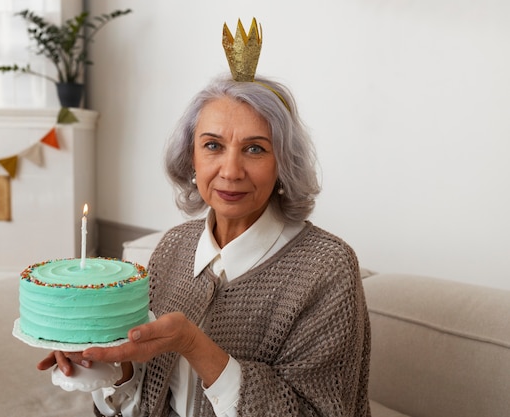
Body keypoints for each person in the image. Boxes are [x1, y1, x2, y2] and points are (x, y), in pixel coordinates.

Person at [37, 73, 371, 416]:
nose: (230, 170)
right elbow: (142, 399)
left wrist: (193, 345)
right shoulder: (173, 248)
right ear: (191, 159)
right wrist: (109, 365)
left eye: (254, 149)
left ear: (283, 163)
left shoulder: (327, 269)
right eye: (213, 145)